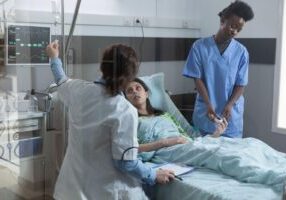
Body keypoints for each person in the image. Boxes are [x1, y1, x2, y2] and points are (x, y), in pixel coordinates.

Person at [45, 41, 175, 200]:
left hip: (71, 190)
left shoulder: (79, 90)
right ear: (130, 77)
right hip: (106, 192)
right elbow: (125, 163)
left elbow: (61, 80)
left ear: (102, 67)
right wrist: (153, 175)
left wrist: (54, 57)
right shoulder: (124, 110)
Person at [124, 78, 286, 192]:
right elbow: (133, 149)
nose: (135, 92)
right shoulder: (131, 122)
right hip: (168, 151)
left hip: (187, 143)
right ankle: (277, 179)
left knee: (250, 143)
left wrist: (215, 135)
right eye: (129, 91)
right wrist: (165, 142)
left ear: (146, 93)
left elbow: (193, 139)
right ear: (126, 100)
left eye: (138, 88)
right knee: (222, 155)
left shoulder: (164, 115)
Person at [182, 1, 254, 138]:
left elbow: (241, 84)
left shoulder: (241, 52)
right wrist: (209, 104)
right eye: (232, 26)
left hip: (231, 116)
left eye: (239, 29)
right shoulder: (199, 47)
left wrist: (229, 105)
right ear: (222, 20)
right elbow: (197, 79)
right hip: (206, 112)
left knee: (230, 155)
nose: (234, 31)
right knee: (203, 154)